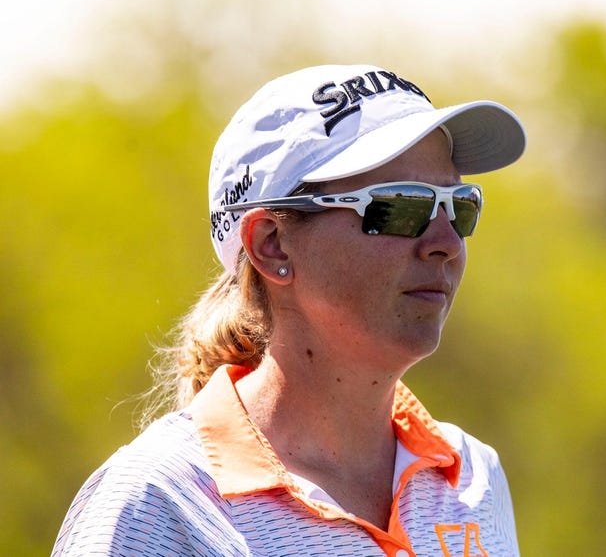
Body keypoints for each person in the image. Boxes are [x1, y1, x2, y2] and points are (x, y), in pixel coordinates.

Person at [52, 64, 526, 557]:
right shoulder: (157, 502)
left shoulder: (473, 477)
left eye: (460, 205)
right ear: (272, 245)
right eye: (401, 206)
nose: (447, 242)